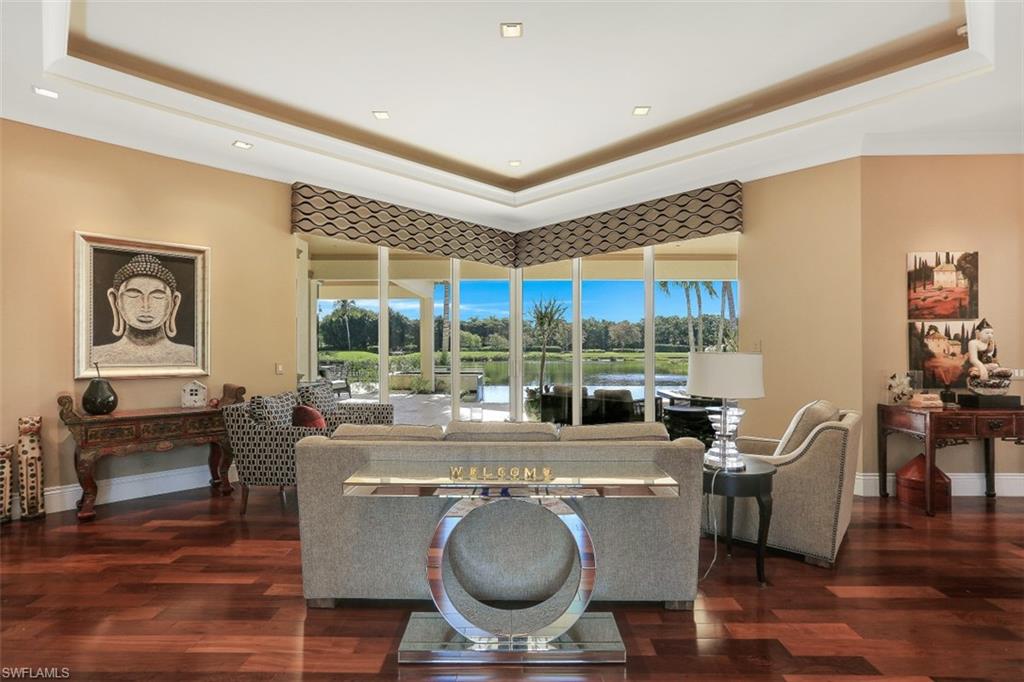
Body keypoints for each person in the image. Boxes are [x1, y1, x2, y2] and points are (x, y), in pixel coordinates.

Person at [91, 253, 194, 365]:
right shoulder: (95, 356)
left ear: (174, 302)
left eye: (157, 295)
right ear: (115, 299)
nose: (146, 306)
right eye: (133, 294)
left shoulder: (190, 355)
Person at [966, 319, 1012, 394]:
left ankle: (992, 377)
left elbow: (993, 358)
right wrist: (982, 368)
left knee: (1007, 372)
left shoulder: (992, 343)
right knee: (974, 373)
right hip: (977, 367)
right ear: (978, 333)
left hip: (991, 366)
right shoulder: (973, 343)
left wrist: (995, 365)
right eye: (987, 333)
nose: (990, 335)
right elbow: (973, 360)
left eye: (992, 333)